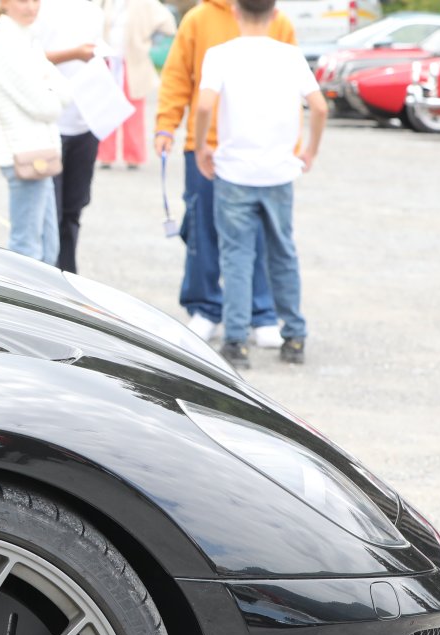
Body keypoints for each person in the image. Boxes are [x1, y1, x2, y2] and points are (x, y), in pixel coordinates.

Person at [154, 0, 295, 347]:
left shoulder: (278, 21)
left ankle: (261, 313)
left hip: (258, 149)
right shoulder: (198, 19)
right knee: (202, 229)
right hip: (207, 147)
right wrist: (166, 124)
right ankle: (205, 307)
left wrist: (291, 143)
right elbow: (176, 76)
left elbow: (292, 89)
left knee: (260, 233)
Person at [193, 0, 325, 368]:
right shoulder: (291, 55)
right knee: (283, 252)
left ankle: (236, 342)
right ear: (275, 13)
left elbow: (203, 106)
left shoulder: (220, 55)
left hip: (235, 171)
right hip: (279, 171)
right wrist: (310, 150)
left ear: (235, 11)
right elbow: (319, 107)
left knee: (236, 256)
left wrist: (202, 146)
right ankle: (294, 336)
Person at [0, 0, 73, 262]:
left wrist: (47, 88)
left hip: (39, 152)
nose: (31, 7)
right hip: (22, 153)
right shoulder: (4, 44)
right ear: (5, 3)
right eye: (23, 0)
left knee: (48, 248)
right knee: (27, 249)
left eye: (35, 0)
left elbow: (66, 92)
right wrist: (49, 88)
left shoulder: (27, 40)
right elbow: (47, 107)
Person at [30, 0, 104, 273]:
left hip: (85, 124)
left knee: (74, 210)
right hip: (51, 125)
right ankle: (45, 278)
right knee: (50, 213)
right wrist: (74, 54)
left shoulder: (95, 11)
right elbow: (29, 58)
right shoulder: (42, 7)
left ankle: (69, 276)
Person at [96, 0, 175, 169]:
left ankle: (133, 156)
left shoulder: (145, 3)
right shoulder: (105, 2)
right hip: (108, 62)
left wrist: (149, 41)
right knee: (107, 109)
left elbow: (168, 23)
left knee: (134, 111)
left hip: (133, 63)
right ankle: (105, 155)